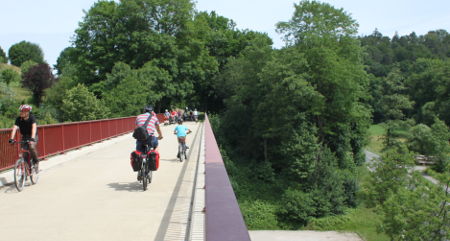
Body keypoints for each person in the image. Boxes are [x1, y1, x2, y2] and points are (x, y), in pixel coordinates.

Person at [9, 104, 40, 170]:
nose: (21, 113)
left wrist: (32, 139)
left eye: (22, 111)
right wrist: (11, 138)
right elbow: (14, 128)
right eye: (20, 111)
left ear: (27, 112)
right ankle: (26, 171)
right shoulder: (18, 119)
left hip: (33, 136)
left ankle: (36, 161)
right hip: (24, 136)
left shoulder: (32, 117)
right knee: (24, 153)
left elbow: (34, 128)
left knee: (31, 146)